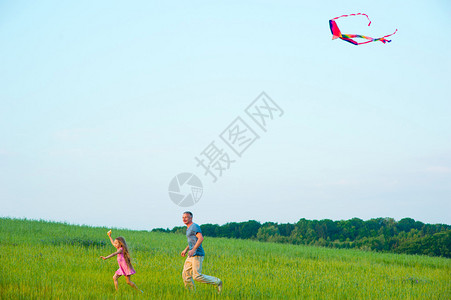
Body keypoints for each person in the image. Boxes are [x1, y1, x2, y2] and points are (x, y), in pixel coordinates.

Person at [181, 211, 223, 293]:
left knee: (196, 276)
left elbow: (200, 238)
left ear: (191, 218)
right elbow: (192, 242)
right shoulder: (188, 228)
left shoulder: (194, 226)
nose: (184, 219)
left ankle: (217, 282)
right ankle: (191, 294)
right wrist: (186, 250)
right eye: (183, 217)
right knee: (185, 275)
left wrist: (193, 250)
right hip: (191, 254)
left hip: (197, 254)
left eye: (186, 217)